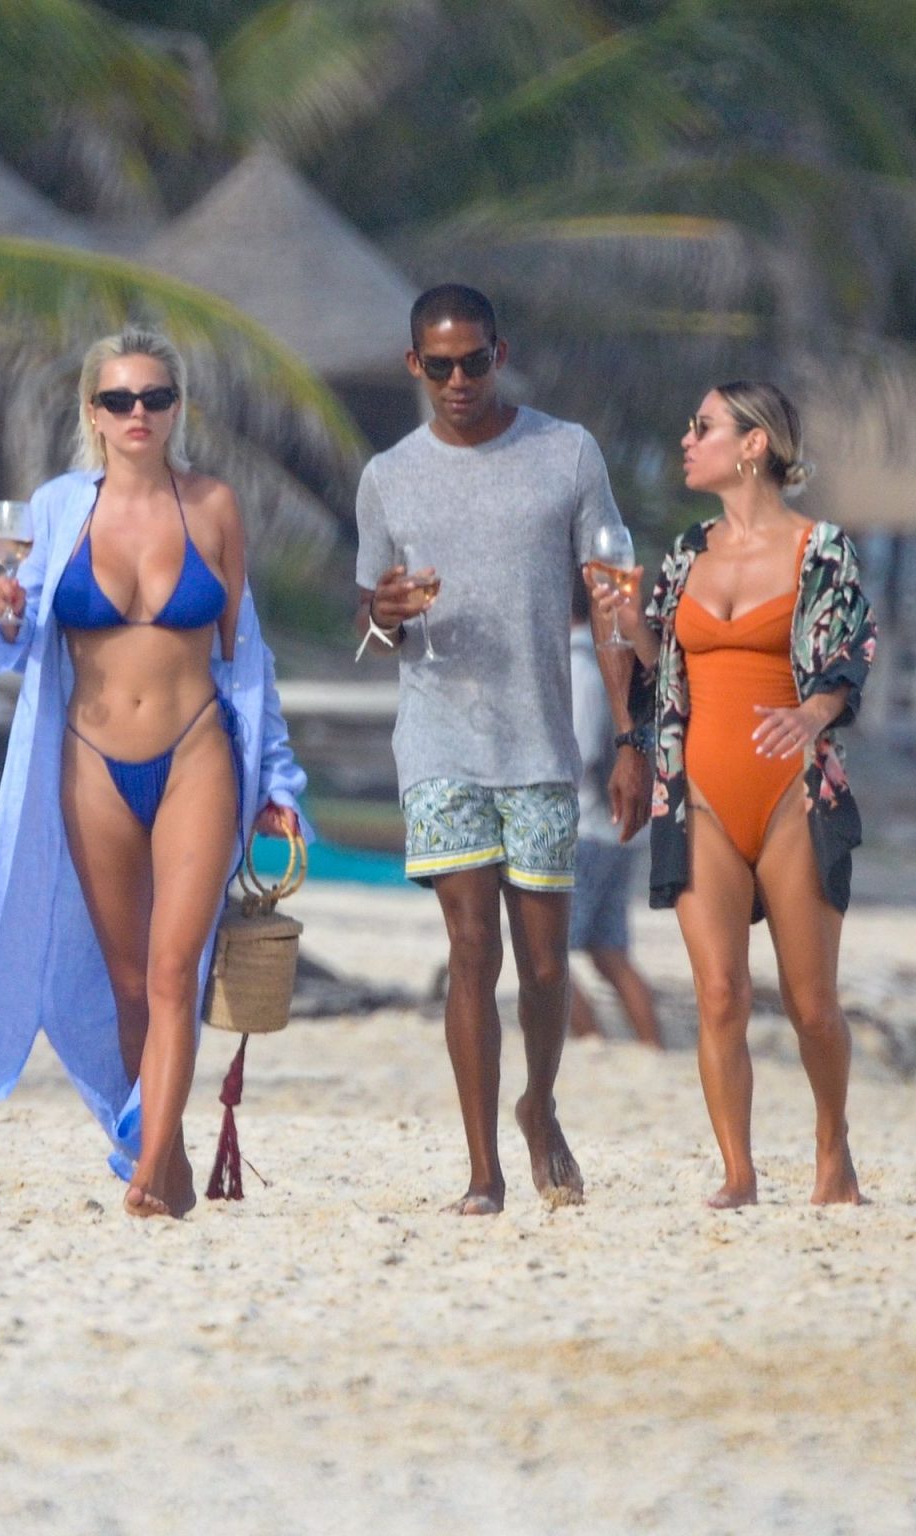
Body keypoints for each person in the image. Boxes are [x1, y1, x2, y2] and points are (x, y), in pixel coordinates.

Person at [0, 328, 308, 1219]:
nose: (138, 413)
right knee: (127, 984)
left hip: (196, 752)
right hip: (89, 761)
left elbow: (248, 658)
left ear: (177, 408)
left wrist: (278, 783)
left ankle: (149, 1171)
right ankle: (164, 1150)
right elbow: (13, 648)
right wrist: (5, 614)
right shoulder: (54, 509)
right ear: (94, 413)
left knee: (174, 972)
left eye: (155, 397)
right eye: (119, 400)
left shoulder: (213, 506)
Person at [355, 283, 651, 1215]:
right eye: (439, 365)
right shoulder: (387, 477)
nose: (458, 380)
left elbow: (612, 601)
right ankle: (483, 1172)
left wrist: (632, 737)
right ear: (415, 364)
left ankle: (539, 1105)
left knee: (548, 966)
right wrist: (384, 613)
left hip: (541, 746)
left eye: (474, 361)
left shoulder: (567, 453)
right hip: (437, 739)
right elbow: (376, 622)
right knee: (471, 948)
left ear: (500, 354)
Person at [594, 381, 876, 1207]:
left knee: (812, 1004)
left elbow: (849, 654)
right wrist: (628, 623)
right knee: (720, 994)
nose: (688, 440)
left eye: (704, 427)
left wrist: (814, 712)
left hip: (793, 792)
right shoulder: (688, 551)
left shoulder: (821, 549)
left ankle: (833, 1152)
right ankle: (738, 1172)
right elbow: (662, 670)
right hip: (699, 795)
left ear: (754, 444)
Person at [567, 584, 662, 1048]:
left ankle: (592, 1039)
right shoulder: (619, 664)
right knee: (609, 952)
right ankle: (652, 1046)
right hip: (619, 830)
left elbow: (579, 755)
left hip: (585, 829)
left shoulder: (578, 667)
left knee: (543, 952)